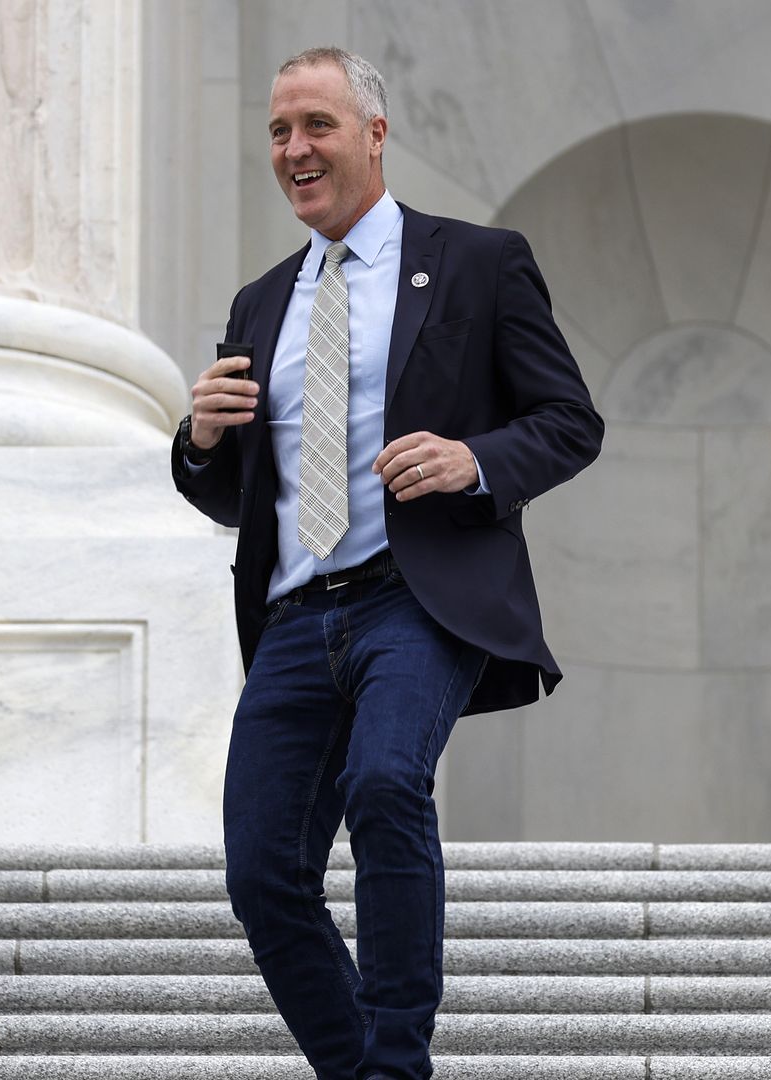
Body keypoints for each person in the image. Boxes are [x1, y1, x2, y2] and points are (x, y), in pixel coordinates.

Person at [171, 46, 603, 1080]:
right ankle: (362, 1070)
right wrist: (199, 440)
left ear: (374, 133)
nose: (294, 149)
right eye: (278, 131)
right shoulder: (261, 303)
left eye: (315, 125)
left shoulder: (477, 263)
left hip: (417, 599)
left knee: (383, 781)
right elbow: (237, 495)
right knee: (264, 871)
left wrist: (472, 459)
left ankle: (397, 1058)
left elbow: (569, 422)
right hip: (291, 618)